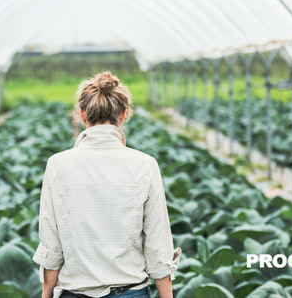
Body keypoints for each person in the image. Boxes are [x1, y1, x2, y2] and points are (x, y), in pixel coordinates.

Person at [32, 71, 181, 298]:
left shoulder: (57, 165)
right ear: (123, 115)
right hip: (130, 293)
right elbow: (158, 246)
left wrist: (46, 294)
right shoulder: (145, 165)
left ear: (81, 115)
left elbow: (52, 245)